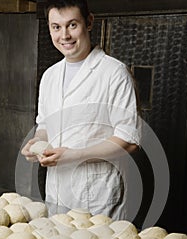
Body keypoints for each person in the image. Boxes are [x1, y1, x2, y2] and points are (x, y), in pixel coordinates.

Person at [22, 0, 142, 220]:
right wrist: (38, 143)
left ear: (89, 22)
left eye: (72, 25)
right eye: (56, 27)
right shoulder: (50, 76)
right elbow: (46, 125)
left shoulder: (114, 73)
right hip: (57, 193)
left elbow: (129, 140)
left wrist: (74, 155)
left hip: (98, 197)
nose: (64, 35)